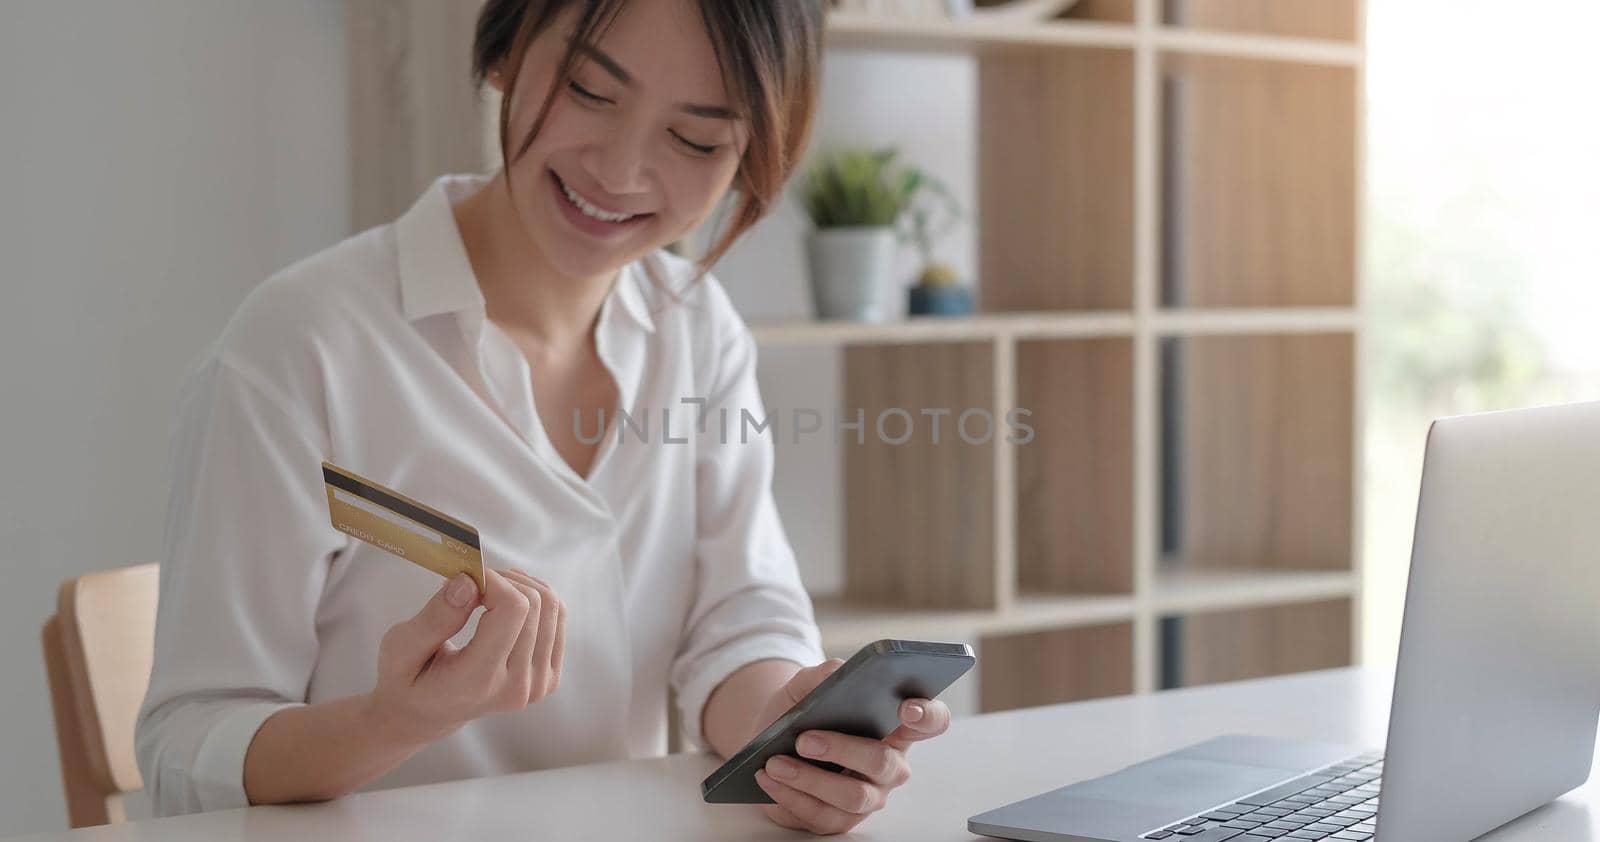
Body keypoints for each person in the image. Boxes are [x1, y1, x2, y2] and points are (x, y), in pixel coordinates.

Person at [133, 0, 952, 834]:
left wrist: (793, 737)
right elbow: (186, 747)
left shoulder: (698, 331)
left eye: (697, 140)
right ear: (505, 53)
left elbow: (738, 624)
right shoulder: (298, 346)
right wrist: (394, 720)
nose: (621, 170)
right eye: (591, 90)